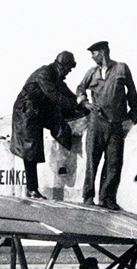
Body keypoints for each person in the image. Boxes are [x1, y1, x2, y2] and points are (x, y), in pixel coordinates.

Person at [74, 40, 137, 209]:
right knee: (92, 160)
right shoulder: (91, 72)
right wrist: (84, 103)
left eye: (94, 53)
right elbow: (80, 89)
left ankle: (107, 198)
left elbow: (131, 91)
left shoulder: (121, 68)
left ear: (103, 52)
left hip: (116, 122)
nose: (92, 57)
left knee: (114, 162)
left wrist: (134, 112)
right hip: (97, 122)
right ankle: (88, 196)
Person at [9, 51, 85, 199]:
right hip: (27, 113)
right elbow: (54, 96)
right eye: (69, 68)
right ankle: (32, 189)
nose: (69, 72)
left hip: (38, 112)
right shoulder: (45, 74)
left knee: (62, 129)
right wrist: (76, 102)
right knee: (30, 151)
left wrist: (80, 103)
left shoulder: (55, 76)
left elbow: (66, 94)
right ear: (62, 66)